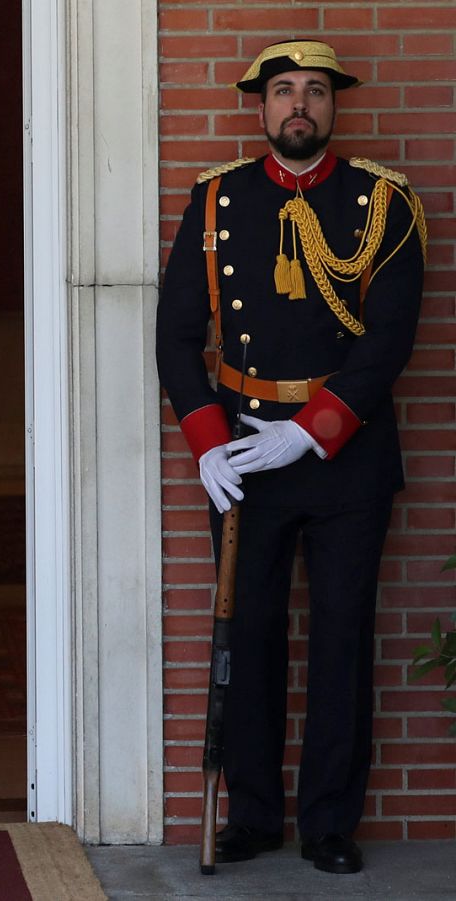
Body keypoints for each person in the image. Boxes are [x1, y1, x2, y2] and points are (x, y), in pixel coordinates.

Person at [157, 40, 426, 875]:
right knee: (253, 630)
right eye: (283, 91)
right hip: (244, 448)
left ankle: (329, 823)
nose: (299, 104)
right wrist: (208, 441)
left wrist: (309, 429)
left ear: (334, 105)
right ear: (260, 105)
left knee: (343, 635)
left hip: (346, 452)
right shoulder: (214, 201)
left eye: (314, 90)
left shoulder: (383, 202)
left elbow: (388, 338)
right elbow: (174, 335)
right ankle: (255, 814)